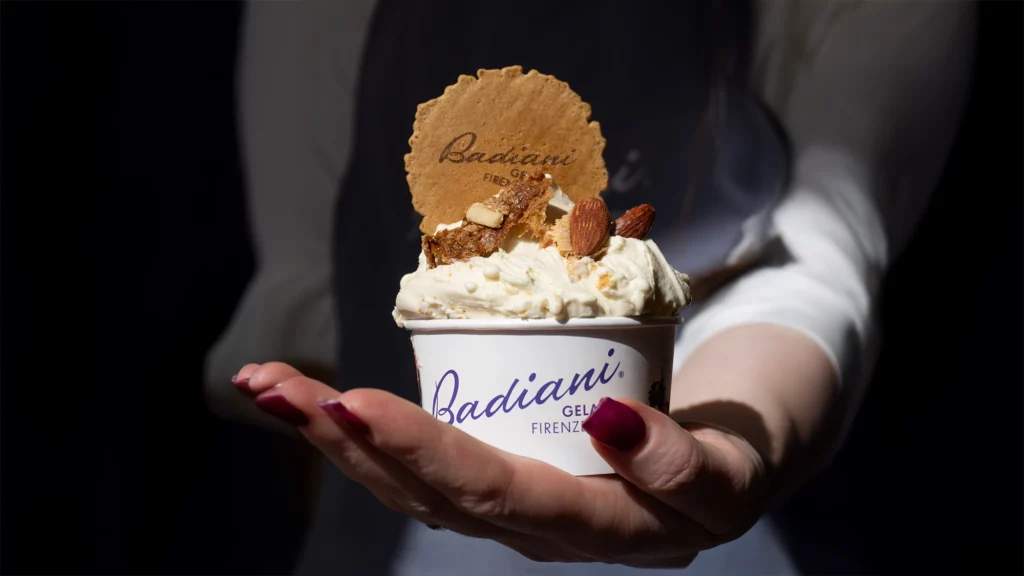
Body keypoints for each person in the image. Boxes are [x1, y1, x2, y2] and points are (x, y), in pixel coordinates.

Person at [208, 0, 976, 573]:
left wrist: (739, 442)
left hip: (756, 524)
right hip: (397, 543)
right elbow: (314, 289)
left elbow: (817, 250)